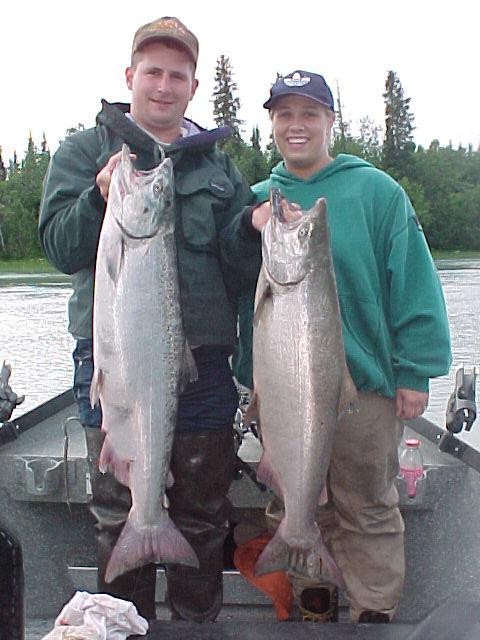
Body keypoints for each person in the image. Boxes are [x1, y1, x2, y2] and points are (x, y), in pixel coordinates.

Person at [38, 16, 257, 622]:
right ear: (130, 76)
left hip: (205, 365)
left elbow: (242, 271)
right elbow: (58, 247)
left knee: (205, 517)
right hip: (113, 363)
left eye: (178, 76)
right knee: (118, 511)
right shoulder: (85, 152)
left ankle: (196, 628)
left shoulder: (219, 169)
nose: (164, 86)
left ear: (192, 87)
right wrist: (97, 198)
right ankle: (121, 629)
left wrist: (252, 227)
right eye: (153, 72)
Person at [232, 70, 452, 623]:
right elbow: (234, 296)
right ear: (273, 124)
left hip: (366, 390)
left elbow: (414, 283)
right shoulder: (257, 202)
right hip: (281, 393)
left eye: (310, 114)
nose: (297, 125)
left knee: (368, 509)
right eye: (285, 114)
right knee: (292, 507)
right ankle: (313, 615)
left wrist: (416, 372)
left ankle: (373, 618)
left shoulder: (377, 192)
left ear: (332, 121)